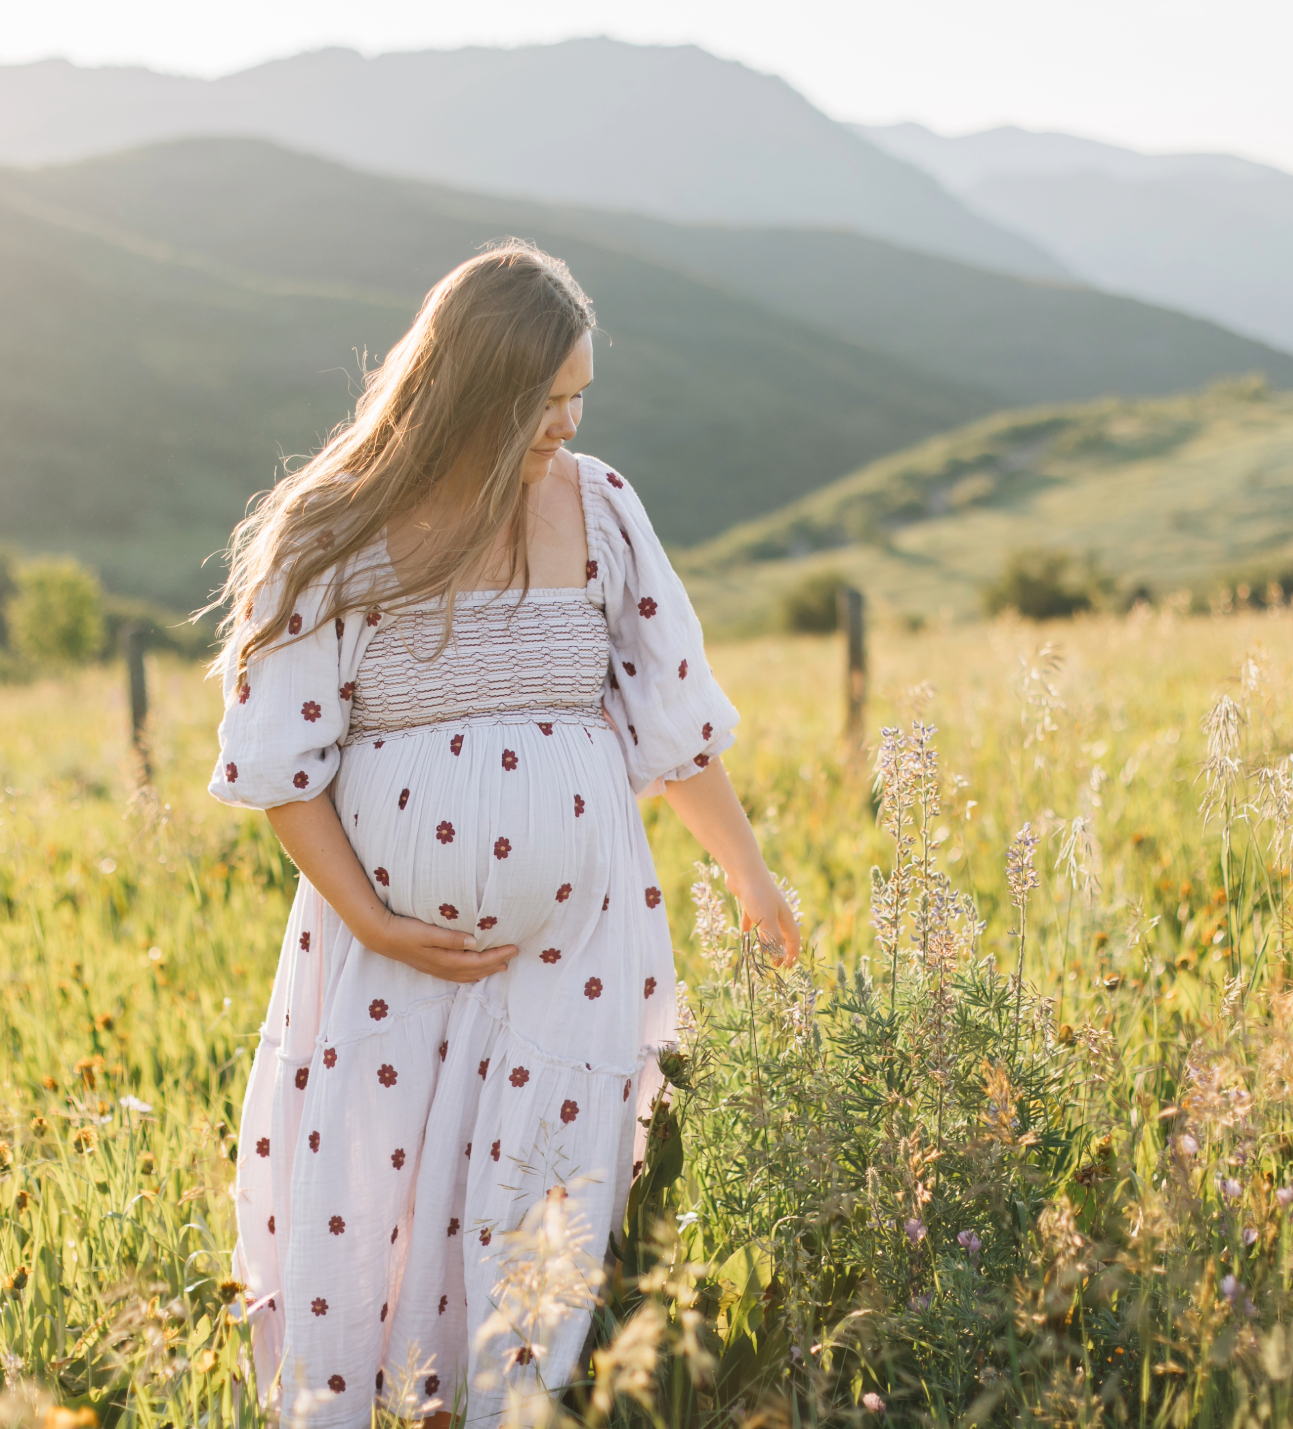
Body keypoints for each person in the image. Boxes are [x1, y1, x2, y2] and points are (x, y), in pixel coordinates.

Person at [208, 240, 799, 1427]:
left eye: (581, 394)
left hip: (574, 953)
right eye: (547, 399)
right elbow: (280, 765)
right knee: (380, 1180)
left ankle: (503, 1411)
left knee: (537, 1194)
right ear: (473, 387)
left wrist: (749, 873)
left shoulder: (601, 506)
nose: (567, 423)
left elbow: (671, 715)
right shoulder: (330, 527)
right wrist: (374, 917)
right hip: (384, 953)